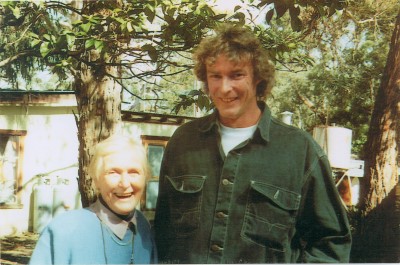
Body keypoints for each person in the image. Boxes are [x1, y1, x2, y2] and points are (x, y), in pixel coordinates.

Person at [154, 24, 352, 263]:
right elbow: (163, 234)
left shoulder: (300, 150)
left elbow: (331, 243)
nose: (225, 88)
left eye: (237, 74)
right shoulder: (183, 142)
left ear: (258, 77)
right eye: (215, 75)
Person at [29, 135, 157, 264]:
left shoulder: (143, 227)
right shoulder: (63, 230)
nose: (124, 183)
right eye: (113, 172)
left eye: (133, 172)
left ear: (145, 178)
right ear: (96, 180)